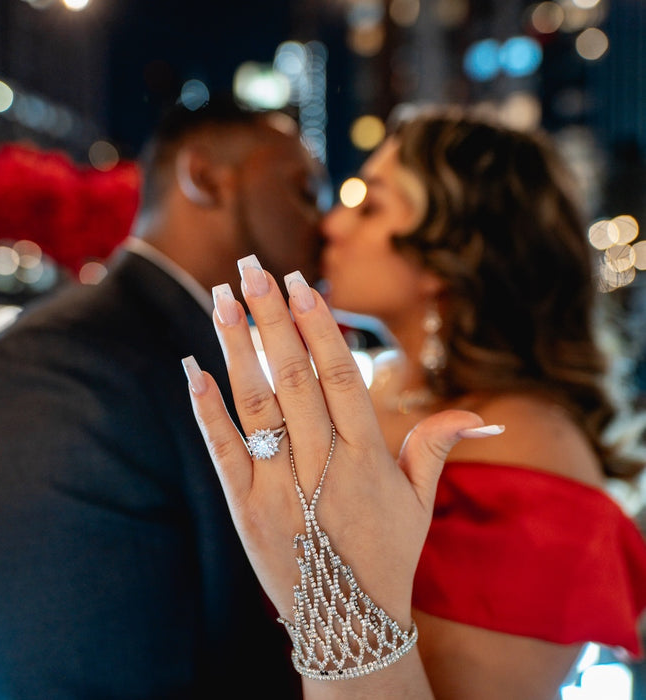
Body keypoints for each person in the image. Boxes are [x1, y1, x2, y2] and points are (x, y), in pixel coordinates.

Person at [183, 105, 646, 700]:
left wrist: (333, 608)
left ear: (453, 250)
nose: (331, 227)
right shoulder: (373, 384)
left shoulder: (526, 452)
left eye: (369, 207)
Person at [0, 96, 326, 698]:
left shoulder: (172, 346)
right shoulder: (53, 374)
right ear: (205, 178)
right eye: (304, 189)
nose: (322, 220)